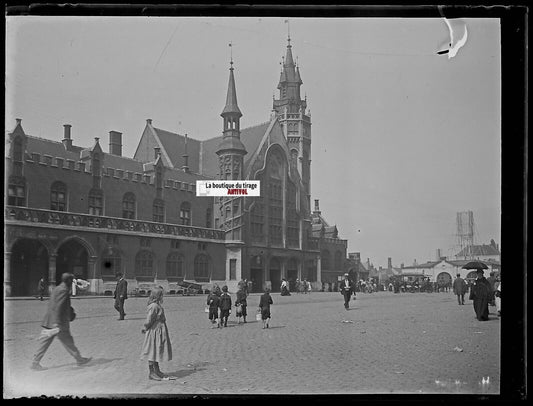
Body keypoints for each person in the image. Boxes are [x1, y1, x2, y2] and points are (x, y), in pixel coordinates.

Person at [30, 273, 91, 371]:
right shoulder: (64, 290)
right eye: (71, 281)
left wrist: (70, 312)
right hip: (58, 323)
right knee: (68, 342)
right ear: (68, 281)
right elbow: (59, 306)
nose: (72, 283)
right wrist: (57, 323)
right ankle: (79, 360)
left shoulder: (57, 288)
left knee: (45, 343)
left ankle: (35, 363)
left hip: (50, 320)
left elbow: (56, 304)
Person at [140, 286, 173, 381]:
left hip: (159, 331)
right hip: (154, 331)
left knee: (156, 349)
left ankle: (157, 370)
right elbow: (150, 319)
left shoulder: (157, 305)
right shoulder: (154, 306)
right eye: (161, 295)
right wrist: (145, 327)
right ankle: (151, 372)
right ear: (157, 296)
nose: (163, 297)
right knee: (152, 350)